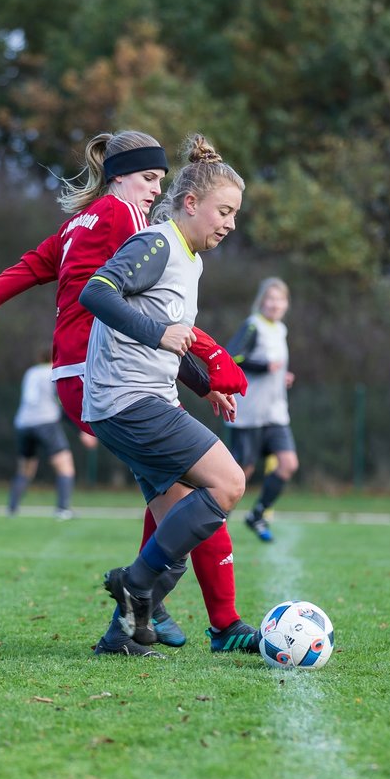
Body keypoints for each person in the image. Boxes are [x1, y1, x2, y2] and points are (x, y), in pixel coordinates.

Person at [0, 130, 257, 657]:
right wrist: (209, 370)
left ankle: (137, 619)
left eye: (160, 180)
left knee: (180, 499)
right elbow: (150, 310)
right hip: (115, 380)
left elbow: (14, 276)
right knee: (206, 491)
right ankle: (166, 599)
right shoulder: (136, 223)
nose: (154, 191)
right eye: (148, 178)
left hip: (75, 383)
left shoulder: (73, 226)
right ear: (119, 177)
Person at [80, 134, 249, 651]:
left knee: (177, 526)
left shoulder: (189, 259)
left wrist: (203, 385)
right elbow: (96, 291)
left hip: (135, 399)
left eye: (236, 214)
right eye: (224, 210)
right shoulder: (157, 243)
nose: (230, 223)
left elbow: (164, 339)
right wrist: (159, 334)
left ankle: (124, 634)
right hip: (128, 401)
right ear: (191, 203)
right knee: (228, 484)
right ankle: (134, 584)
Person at [227, 277, 298, 543]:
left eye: (280, 299)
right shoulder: (253, 325)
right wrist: (263, 367)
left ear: (286, 304)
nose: (274, 304)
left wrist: (282, 376)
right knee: (240, 474)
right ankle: (214, 521)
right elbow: (233, 356)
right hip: (249, 415)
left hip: (276, 413)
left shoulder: (280, 329)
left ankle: (257, 514)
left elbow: (274, 366)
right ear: (262, 301)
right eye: (270, 298)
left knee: (288, 464)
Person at [9, 350, 78, 519]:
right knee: (65, 466)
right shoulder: (53, 372)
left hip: (23, 423)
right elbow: (63, 402)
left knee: (25, 469)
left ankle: (12, 509)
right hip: (45, 422)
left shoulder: (30, 373)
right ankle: (62, 510)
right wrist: (81, 430)